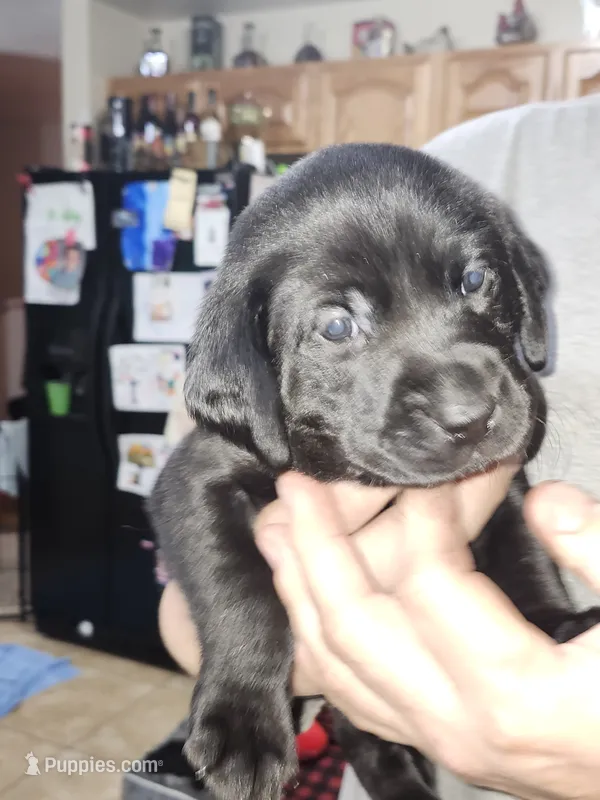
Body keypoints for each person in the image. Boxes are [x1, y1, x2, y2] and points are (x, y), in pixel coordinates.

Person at [158, 94, 600, 800]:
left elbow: (497, 511)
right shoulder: (487, 149)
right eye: (336, 327)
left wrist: (546, 633)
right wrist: (249, 673)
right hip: (350, 667)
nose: (463, 397)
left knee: (504, 497)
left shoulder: (456, 186)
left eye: (475, 282)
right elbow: (193, 493)